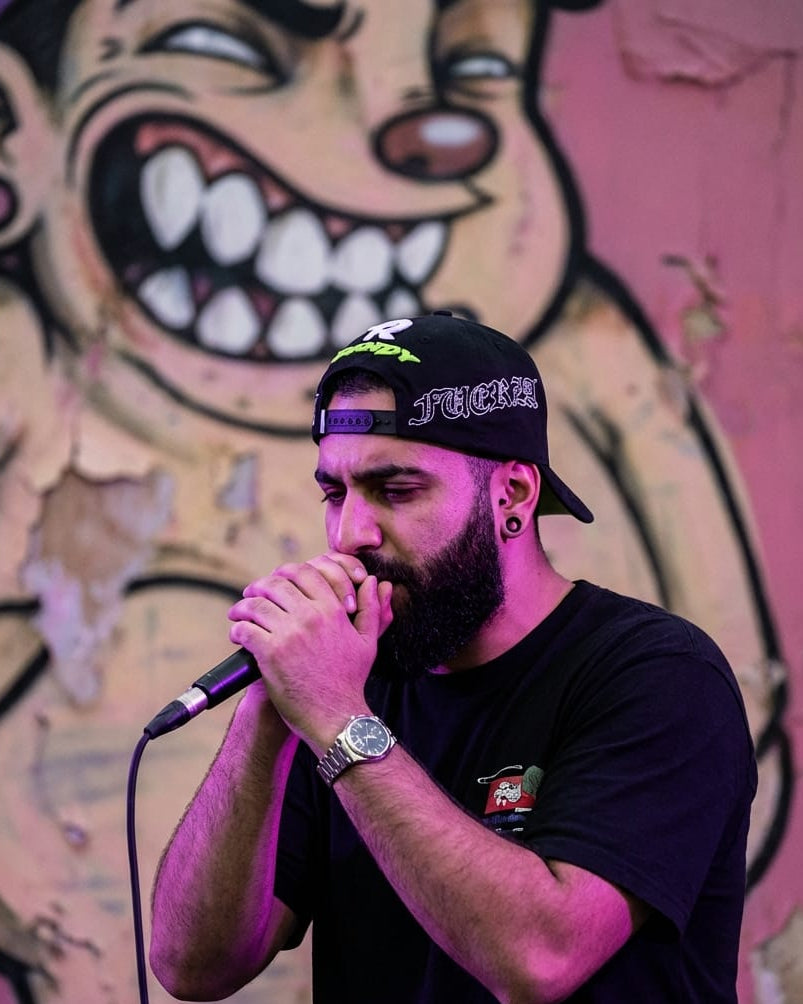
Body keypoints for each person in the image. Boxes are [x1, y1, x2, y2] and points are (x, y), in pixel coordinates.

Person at [149, 311, 756, 1004]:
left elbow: (540, 958)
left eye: (396, 491)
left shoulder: (659, 675)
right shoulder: (346, 681)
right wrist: (267, 708)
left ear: (513, 495)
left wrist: (338, 719)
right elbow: (191, 967)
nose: (350, 534)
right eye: (334, 493)